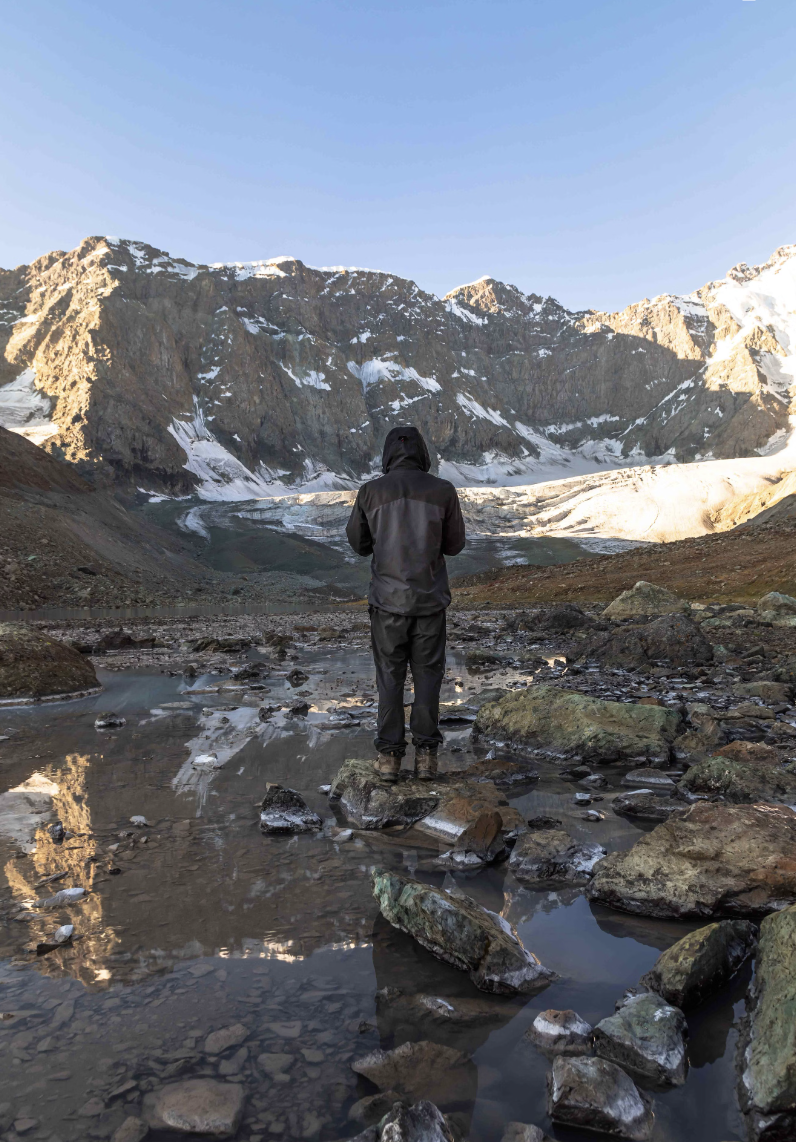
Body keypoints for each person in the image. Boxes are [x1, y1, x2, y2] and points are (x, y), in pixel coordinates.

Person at [345, 426, 466, 782]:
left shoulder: (370, 492)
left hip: (387, 604)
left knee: (390, 679)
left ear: (388, 454)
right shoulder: (443, 491)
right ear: (422, 453)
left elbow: (359, 543)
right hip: (429, 602)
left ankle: (389, 760)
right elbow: (455, 544)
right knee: (428, 677)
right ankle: (427, 758)